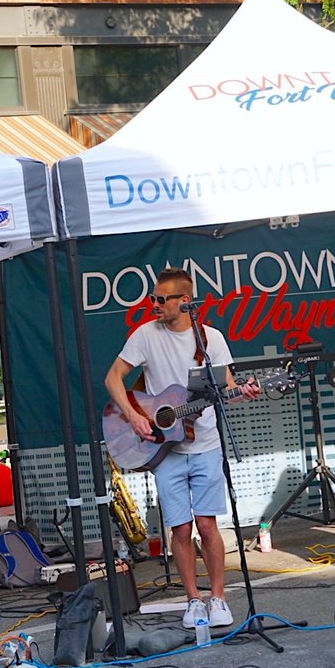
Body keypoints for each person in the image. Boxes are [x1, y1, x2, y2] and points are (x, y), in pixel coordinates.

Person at [104, 267, 259, 630]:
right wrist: (134, 416)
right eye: (153, 298)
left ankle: (218, 598)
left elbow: (226, 390)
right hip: (165, 450)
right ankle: (193, 601)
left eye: (161, 299)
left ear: (185, 301)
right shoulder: (145, 335)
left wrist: (244, 392)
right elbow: (113, 378)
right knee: (180, 528)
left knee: (207, 524)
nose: (154, 305)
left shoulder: (210, 339)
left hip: (206, 445)